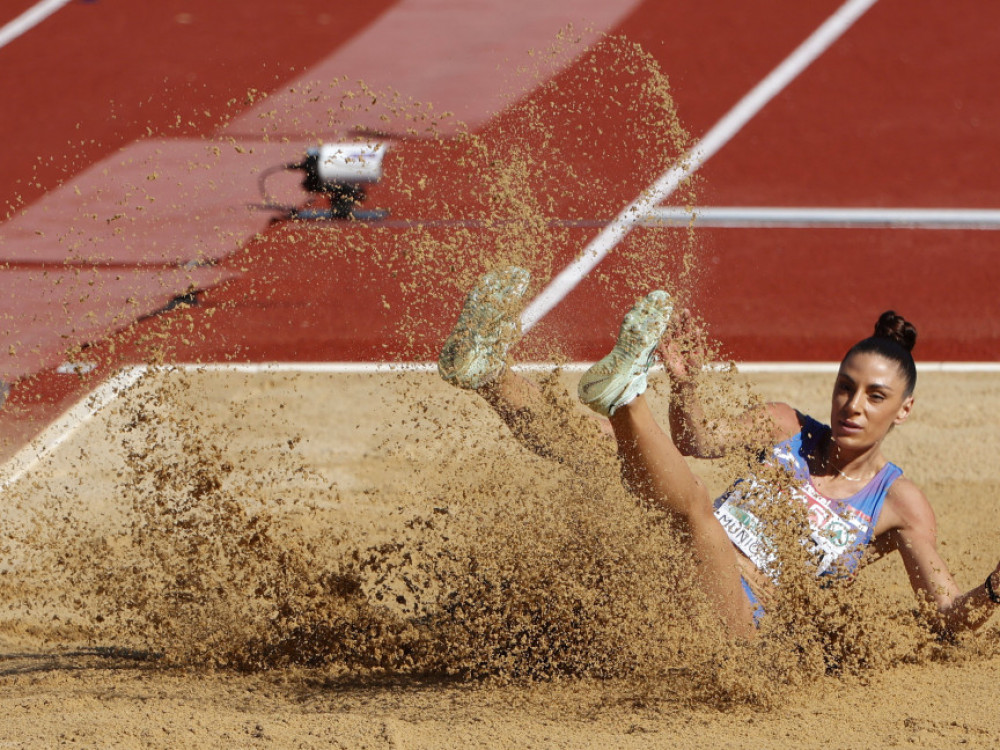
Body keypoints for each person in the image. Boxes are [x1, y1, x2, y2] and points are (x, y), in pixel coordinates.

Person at [437, 266, 1000, 638]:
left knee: (698, 513)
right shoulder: (786, 426)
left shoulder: (900, 502)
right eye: (845, 387)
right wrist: (685, 387)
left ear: (902, 410)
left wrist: (995, 589)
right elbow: (697, 440)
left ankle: (626, 399)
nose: (852, 405)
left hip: (742, 628)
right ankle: (487, 373)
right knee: (606, 455)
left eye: (875, 397)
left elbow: (947, 618)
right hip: (671, 573)